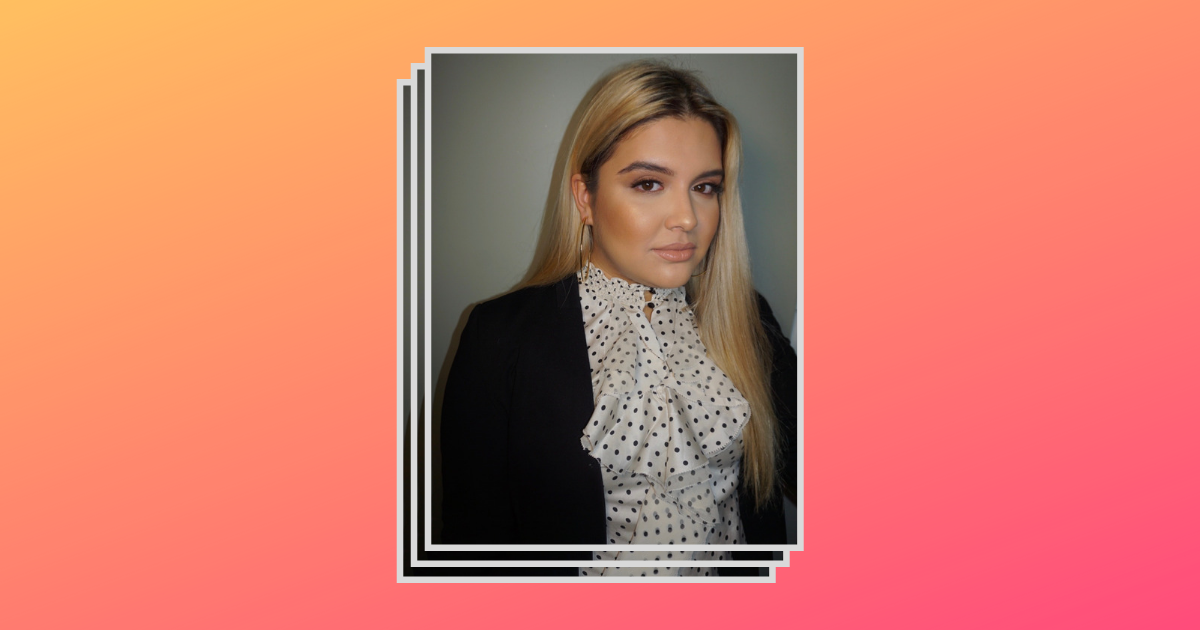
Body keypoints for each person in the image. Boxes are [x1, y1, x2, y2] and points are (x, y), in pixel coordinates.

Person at [439, 60, 797, 577]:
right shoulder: (499, 337)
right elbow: (474, 550)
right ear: (585, 198)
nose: (687, 219)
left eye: (705, 187)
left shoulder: (746, 318)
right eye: (649, 184)